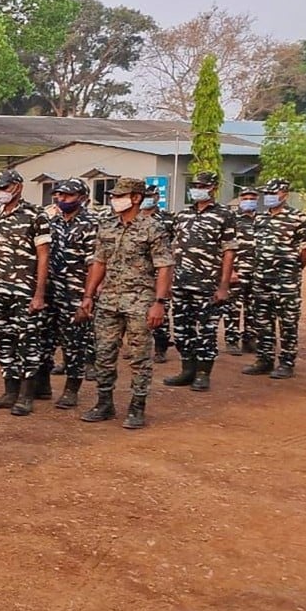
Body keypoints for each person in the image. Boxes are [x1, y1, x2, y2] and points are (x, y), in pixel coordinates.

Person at [75, 178, 173, 429]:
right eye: (114, 195)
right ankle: (104, 402)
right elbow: (99, 262)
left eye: (120, 195)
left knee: (139, 357)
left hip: (140, 302)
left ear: (136, 198)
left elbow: (164, 267)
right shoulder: (107, 226)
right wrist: (88, 296)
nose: (114, 199)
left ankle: (137, 406)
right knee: (104, 353)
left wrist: (159, 303)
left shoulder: (153, 228)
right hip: (108, 300)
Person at [0, 170, 51, 416]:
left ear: (18, 187)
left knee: (28, 342)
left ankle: (25, 395)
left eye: (4, 187)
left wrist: (39, 293)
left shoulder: (35, 215)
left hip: (24, 290)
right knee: (4, 340)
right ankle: (9, 391)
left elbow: (43, 255)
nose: (0, 192)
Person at [162, 172, 236, 391]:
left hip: (207, 283)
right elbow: (173, 248)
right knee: (182, 329)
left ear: (212, 188)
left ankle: (203, 373)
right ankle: (187, 370)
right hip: (181, 282)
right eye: (194, 185)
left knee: (206, 330)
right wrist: (168, 282)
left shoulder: (224, 215)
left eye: (201, 185)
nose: (196, 189)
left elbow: (229, 251)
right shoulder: (183, 215)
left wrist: (223, 286)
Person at [242, 178, 306, 379]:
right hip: (262, 279)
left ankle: (287, 362)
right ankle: (264, 359)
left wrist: (293, 267)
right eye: (268, 193)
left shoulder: (299, 218)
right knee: (262, 321)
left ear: (285, 194)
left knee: (288, 322)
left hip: (286, 281)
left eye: (274, 193)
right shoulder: (261, 219)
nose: (270, 197)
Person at [44, 178, 97, 409]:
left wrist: (89, 297)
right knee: (45, 340)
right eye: (59, 195)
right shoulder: (52, 221)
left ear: (82, 198)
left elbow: (95, 264)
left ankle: (71, 390)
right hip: (50, 291)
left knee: (75, 343)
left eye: (68, 195)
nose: (61, 199)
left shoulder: (91, 224)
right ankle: (42, 385)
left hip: (76, 293)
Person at [139, 185, 175, 363]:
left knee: (161, 309)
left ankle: (161, 347)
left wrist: (170, 279)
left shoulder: (168, 220)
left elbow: (174, 249)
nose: (147, 198)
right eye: (144, 195)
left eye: (150, 195)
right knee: (136, 311)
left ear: (157, 196)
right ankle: (138, 347)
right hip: (138, 273)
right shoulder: (134, 218)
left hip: (160, 271)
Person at [222, 187, 259, 355]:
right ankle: (231, 340)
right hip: (237, 271)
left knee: (254, 308)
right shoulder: (232, 220)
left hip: (258, 272)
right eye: (245, 197)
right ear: (239, 199)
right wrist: (230, 271)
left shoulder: (262, 220)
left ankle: (249, 339)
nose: (249, 199)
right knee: (233, 308)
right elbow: (223, 247)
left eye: (252, 197)